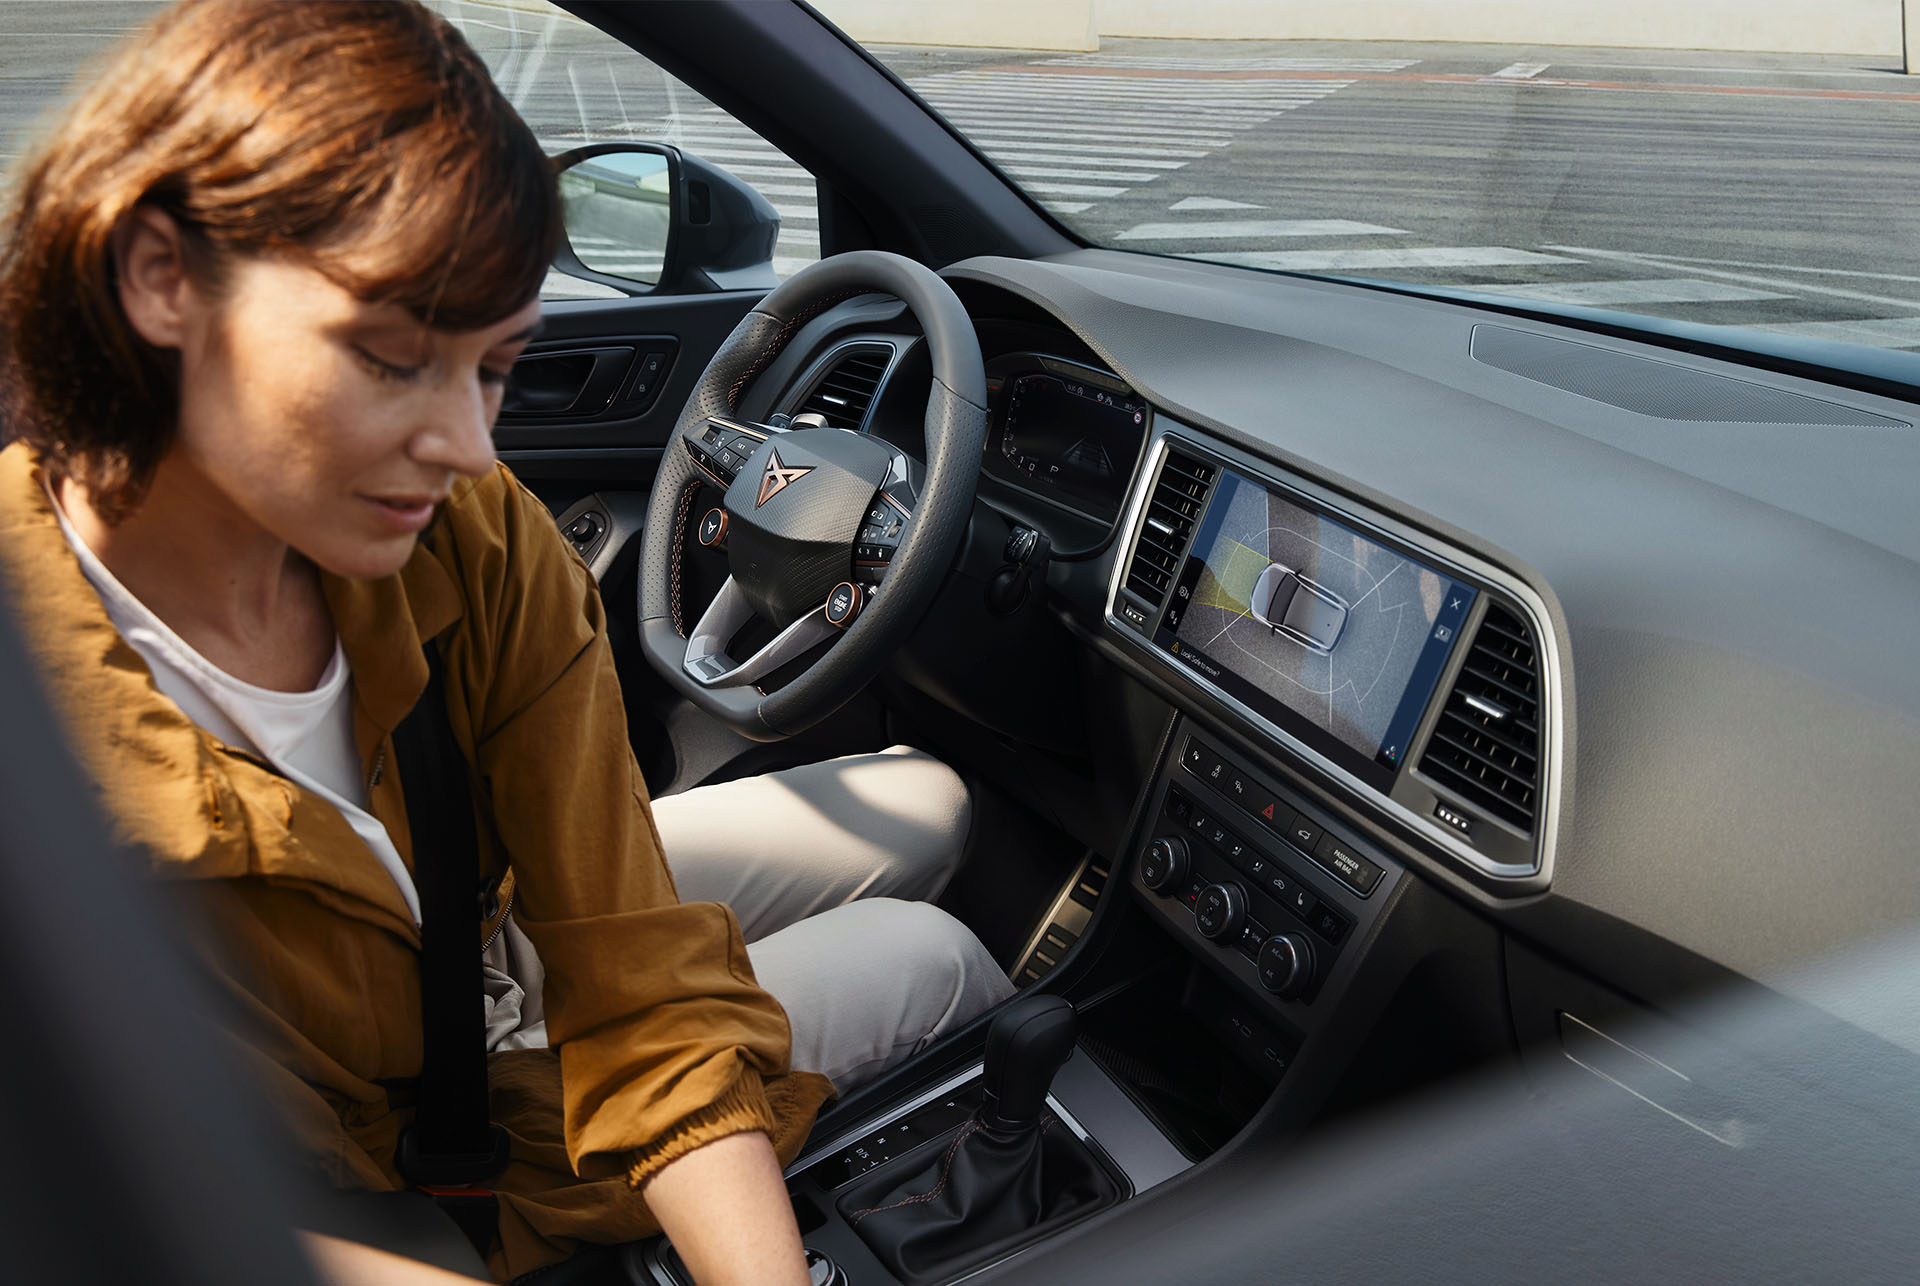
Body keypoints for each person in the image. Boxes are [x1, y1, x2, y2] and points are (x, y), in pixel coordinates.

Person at [0, 2, 1010, 1282]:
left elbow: (640, 986)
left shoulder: (470, 534)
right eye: (392, 359)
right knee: (936, 958)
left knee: (929, 797)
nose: (471, 448)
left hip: (462, 946)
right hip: (366, 1168)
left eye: (493, 369)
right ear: (161, 279)